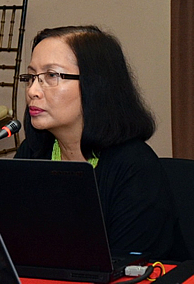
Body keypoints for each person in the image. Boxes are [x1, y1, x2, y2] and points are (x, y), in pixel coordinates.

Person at [16, 25, 178, 259]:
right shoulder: (33, 153)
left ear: (96, 85)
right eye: (31, 77)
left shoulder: (135, 167)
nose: (32, 90)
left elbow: (128, 265)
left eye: (51, 76)